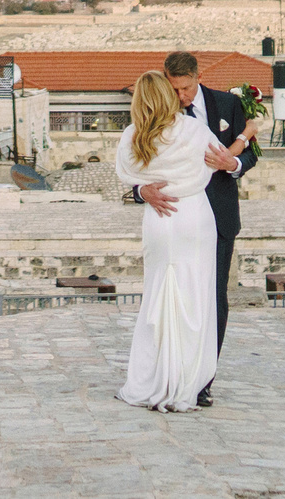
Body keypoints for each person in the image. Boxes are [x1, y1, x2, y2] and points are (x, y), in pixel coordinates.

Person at [126, 49, 257, 406]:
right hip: (174, 216)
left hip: (217, 216)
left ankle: (202, 378)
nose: (180, 97)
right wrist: (141, 192)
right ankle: (174, 374)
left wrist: (233, 162)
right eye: (174, 89)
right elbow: (136, 175)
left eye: (185, 88)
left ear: (198, 77)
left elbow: (252, 156)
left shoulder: (227, 104)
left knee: (212, 298)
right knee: (174, 296)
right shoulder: (159, 114)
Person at [111, 70, 218, 410]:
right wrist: (245, 136)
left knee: (156, 298)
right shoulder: (194, 129)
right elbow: (217, 161)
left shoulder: (133, 135)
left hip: (158, 219)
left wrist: (144, 190)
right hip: (194, 218)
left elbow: (126, 175)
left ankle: (150, 379)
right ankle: (186, 382)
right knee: (195, 301)